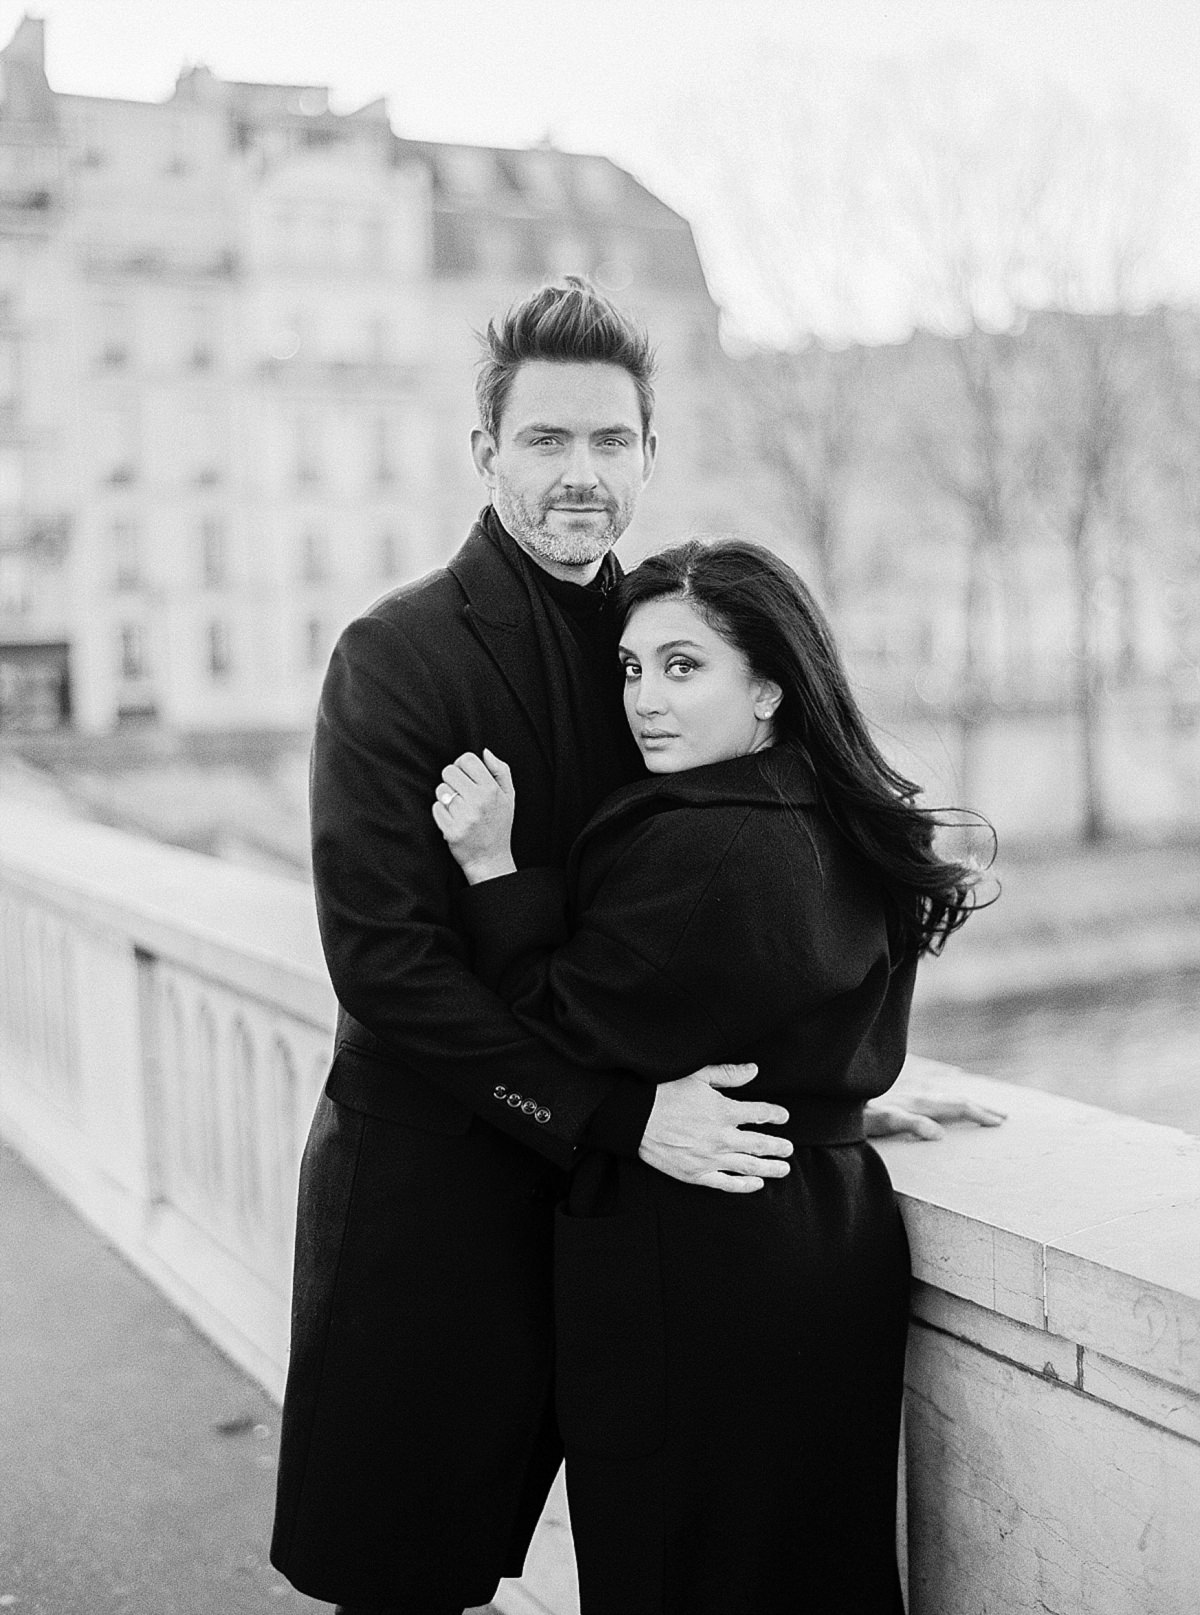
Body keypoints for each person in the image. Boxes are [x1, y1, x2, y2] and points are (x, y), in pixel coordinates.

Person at [270, 276, 1001, 1614]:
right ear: (484, 450)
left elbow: (736, 890)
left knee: (664, 1565)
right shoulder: (395, 656)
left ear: (652, 453)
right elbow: (385, 964)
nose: (581, 474)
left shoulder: (663, 637)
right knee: (403, 1578)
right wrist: (613, 1111)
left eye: (613, 440)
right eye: (545, 440)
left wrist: (824, 1077)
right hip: (443, 1201)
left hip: (640, 1237)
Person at [433, 537, 986, 1614]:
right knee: (811, 1559)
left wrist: (492, 870)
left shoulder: (704, 844)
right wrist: (839, 1103)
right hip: (823, 1230)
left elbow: (553, 1022)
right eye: (633, 668)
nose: (646, 698)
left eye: (685, 667)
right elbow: (763, 1011)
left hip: (693, 1258)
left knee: (676, 1563)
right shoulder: (833, 820)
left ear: (770, 688)